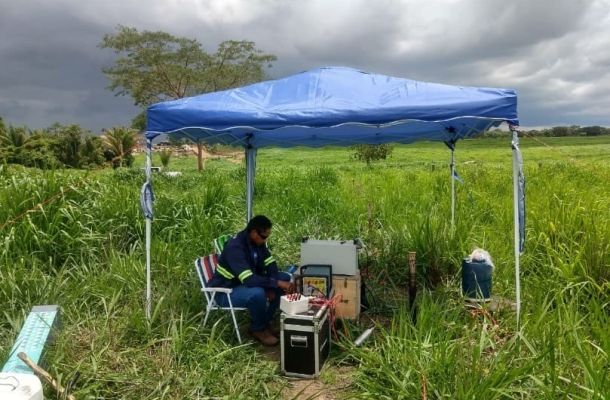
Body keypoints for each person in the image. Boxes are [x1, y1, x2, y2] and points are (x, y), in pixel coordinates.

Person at [209, 215, 294, 346]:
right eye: (264, 237)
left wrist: (272, 286)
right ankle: (258, 329)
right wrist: (274, 283)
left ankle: (265, 322)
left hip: (244, 285)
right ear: (254, 232)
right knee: (258, 292)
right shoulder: (235, 248)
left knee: (284, 278)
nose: (266, 240)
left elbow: (270, 263)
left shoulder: (257, 242)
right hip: (225, 292)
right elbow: (248, 279)